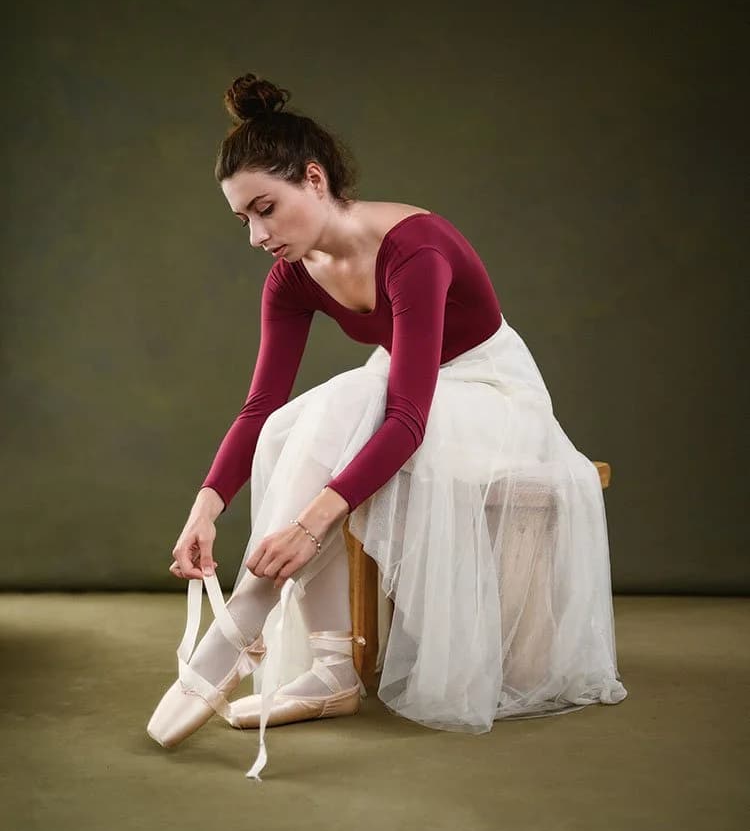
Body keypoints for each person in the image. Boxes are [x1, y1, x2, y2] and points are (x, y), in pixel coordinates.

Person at [146, 73, 627, 781]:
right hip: (403, 388)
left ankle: (247, 616)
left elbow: (407, 418)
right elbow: (260, 407)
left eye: (266, 209)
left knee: (347, 400)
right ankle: (330, 669)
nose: (256, 235)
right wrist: (205, 507)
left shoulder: (415, 249)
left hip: (492, 396)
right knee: (294, 423)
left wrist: (309, 525)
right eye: (242, 218)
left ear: (315, 179)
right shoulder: (291, 277)